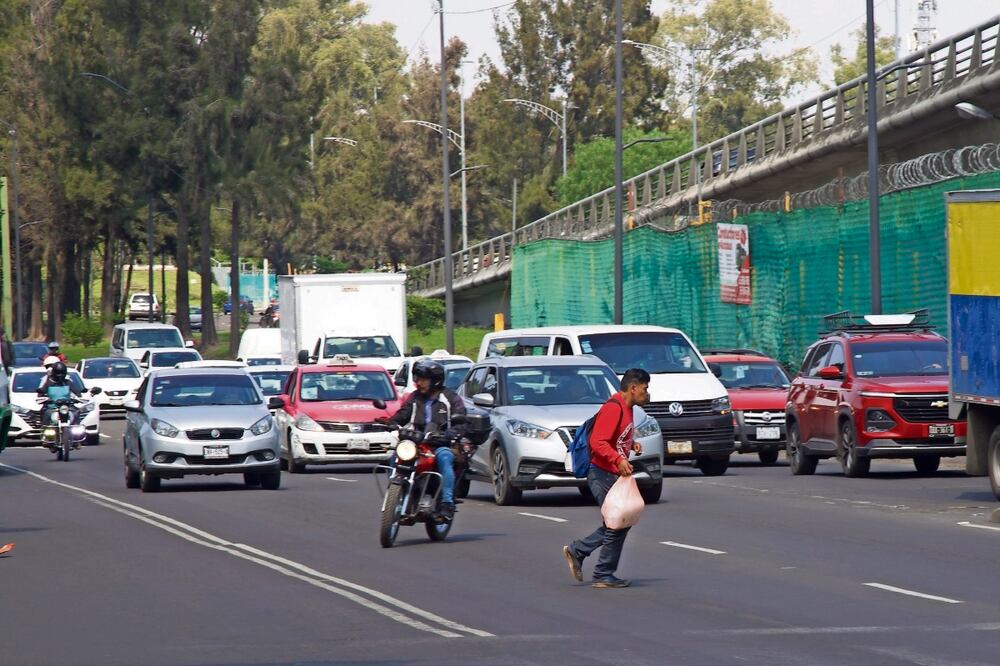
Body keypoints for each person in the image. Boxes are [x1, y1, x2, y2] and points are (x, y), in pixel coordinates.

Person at [563, 368, 650, 589]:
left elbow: (615, 438)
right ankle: (602, 573)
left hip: (613, 474)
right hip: (601, 473)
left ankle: (581, 552)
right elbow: (598, 442)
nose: (647, 393)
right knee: (617, 522)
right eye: (645, 388)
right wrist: (618, 460)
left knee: (618, 521)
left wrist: (631, 445)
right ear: (633, 388)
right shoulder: (614, 408)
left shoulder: (628, 407)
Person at [383, 360, 466, 520]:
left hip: (439, 444)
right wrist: (392, 422)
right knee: (393, 459)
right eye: (417, 378)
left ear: (435, 380)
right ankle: (398, 493)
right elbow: (403, 413)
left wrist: (450, 434)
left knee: (445, 457)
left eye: (422, 379)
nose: (418, 383)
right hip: (416, 443)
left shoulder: (450, 398)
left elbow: (461, 422)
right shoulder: (414, 397)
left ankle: (447, 503)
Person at [36, 361, 81, 425]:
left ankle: (76, 430)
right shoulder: (48, 383)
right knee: (46, 413)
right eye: (58, 373)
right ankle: (45, 430)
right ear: (54, 373)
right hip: (52, 408)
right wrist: (45, 399)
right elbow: (40, 394)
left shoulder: (68, 382)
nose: (60, 376)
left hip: (67, 408)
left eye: (62, 373)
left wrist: (77, 399)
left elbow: (78, 393)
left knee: (76, 412)